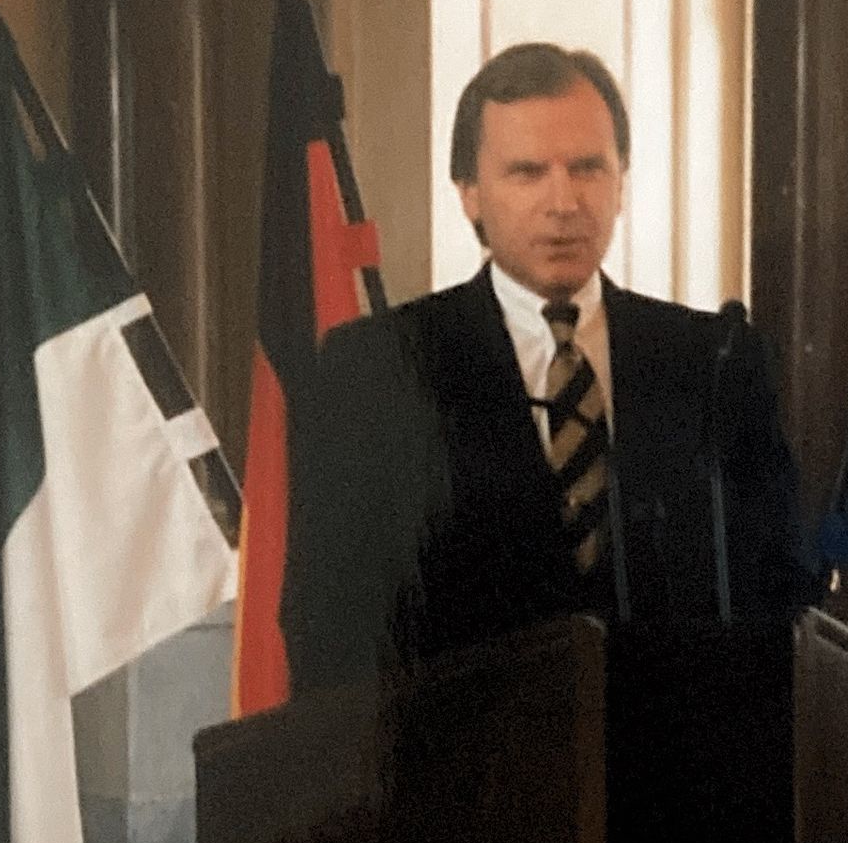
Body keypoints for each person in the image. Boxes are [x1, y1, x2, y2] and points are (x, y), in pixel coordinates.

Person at [280, 41, 810, 694]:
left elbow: (780, 593)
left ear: (621, 181)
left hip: (672, 774)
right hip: (466, 771)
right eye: (527, 172)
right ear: (469, 194)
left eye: (588, 168)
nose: (564, 202)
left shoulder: (714, 360)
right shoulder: (380, 367)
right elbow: (329, 627)